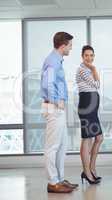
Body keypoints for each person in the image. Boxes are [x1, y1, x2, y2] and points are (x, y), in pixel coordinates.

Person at [41, 32, 78, 193]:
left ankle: (60, 179)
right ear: (63, 45)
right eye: (70, 45)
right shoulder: (52, 61)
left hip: (58, 108)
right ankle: (52, 182)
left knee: (62, 145)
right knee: (52, 147)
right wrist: (57, 101)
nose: (71, 48)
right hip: (54, 107)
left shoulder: (57, 61)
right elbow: (48, 84)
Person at [76, 45, 103, 184]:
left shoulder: (88, 69)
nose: (89, 58)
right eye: (86, 55)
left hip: (92, 109)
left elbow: (96, 85)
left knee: (99, 138)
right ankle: (87, 172)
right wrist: (94, 69)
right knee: (87, 139)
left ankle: (91, 168)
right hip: (86, 108)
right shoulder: (83, 69)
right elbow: (97, 84)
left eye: (91, 55)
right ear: (82, 56)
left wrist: (92, 69)